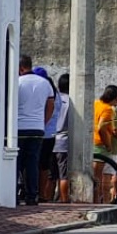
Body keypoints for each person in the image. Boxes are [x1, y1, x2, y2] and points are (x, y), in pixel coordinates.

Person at [17, 55, 54, 206]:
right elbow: (51, 104)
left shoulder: (17, 82)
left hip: (18, 128)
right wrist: (43, 121)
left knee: (17, 163)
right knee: (33, 163)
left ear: (20, 68)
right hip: (37, 128)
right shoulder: (45, 83)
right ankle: (32, 195)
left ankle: (14, 194)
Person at [93, 85, 117, 204]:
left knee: (97, 177)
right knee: (98, 178)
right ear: (116, 98)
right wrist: (108, 144)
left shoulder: (96, 103)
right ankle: (97, 201)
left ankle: (99, 200)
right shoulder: (107, 109)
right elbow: (101, 127)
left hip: (92, 142)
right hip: (100, 145)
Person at [34, 66, 62, 202]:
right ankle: (42, 193)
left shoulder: (45, 93)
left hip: (40, 132)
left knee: (34, 163)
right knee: (44, 165)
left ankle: (36, 191)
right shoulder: (56, 94)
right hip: (51, 134)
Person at [51, 73, 72, 203]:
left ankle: (47, 198)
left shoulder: (54, 98)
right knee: (63, 174)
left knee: (50, 174)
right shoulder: (72, 101)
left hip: (50, 138)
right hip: (63, 141)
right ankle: (64, 200)